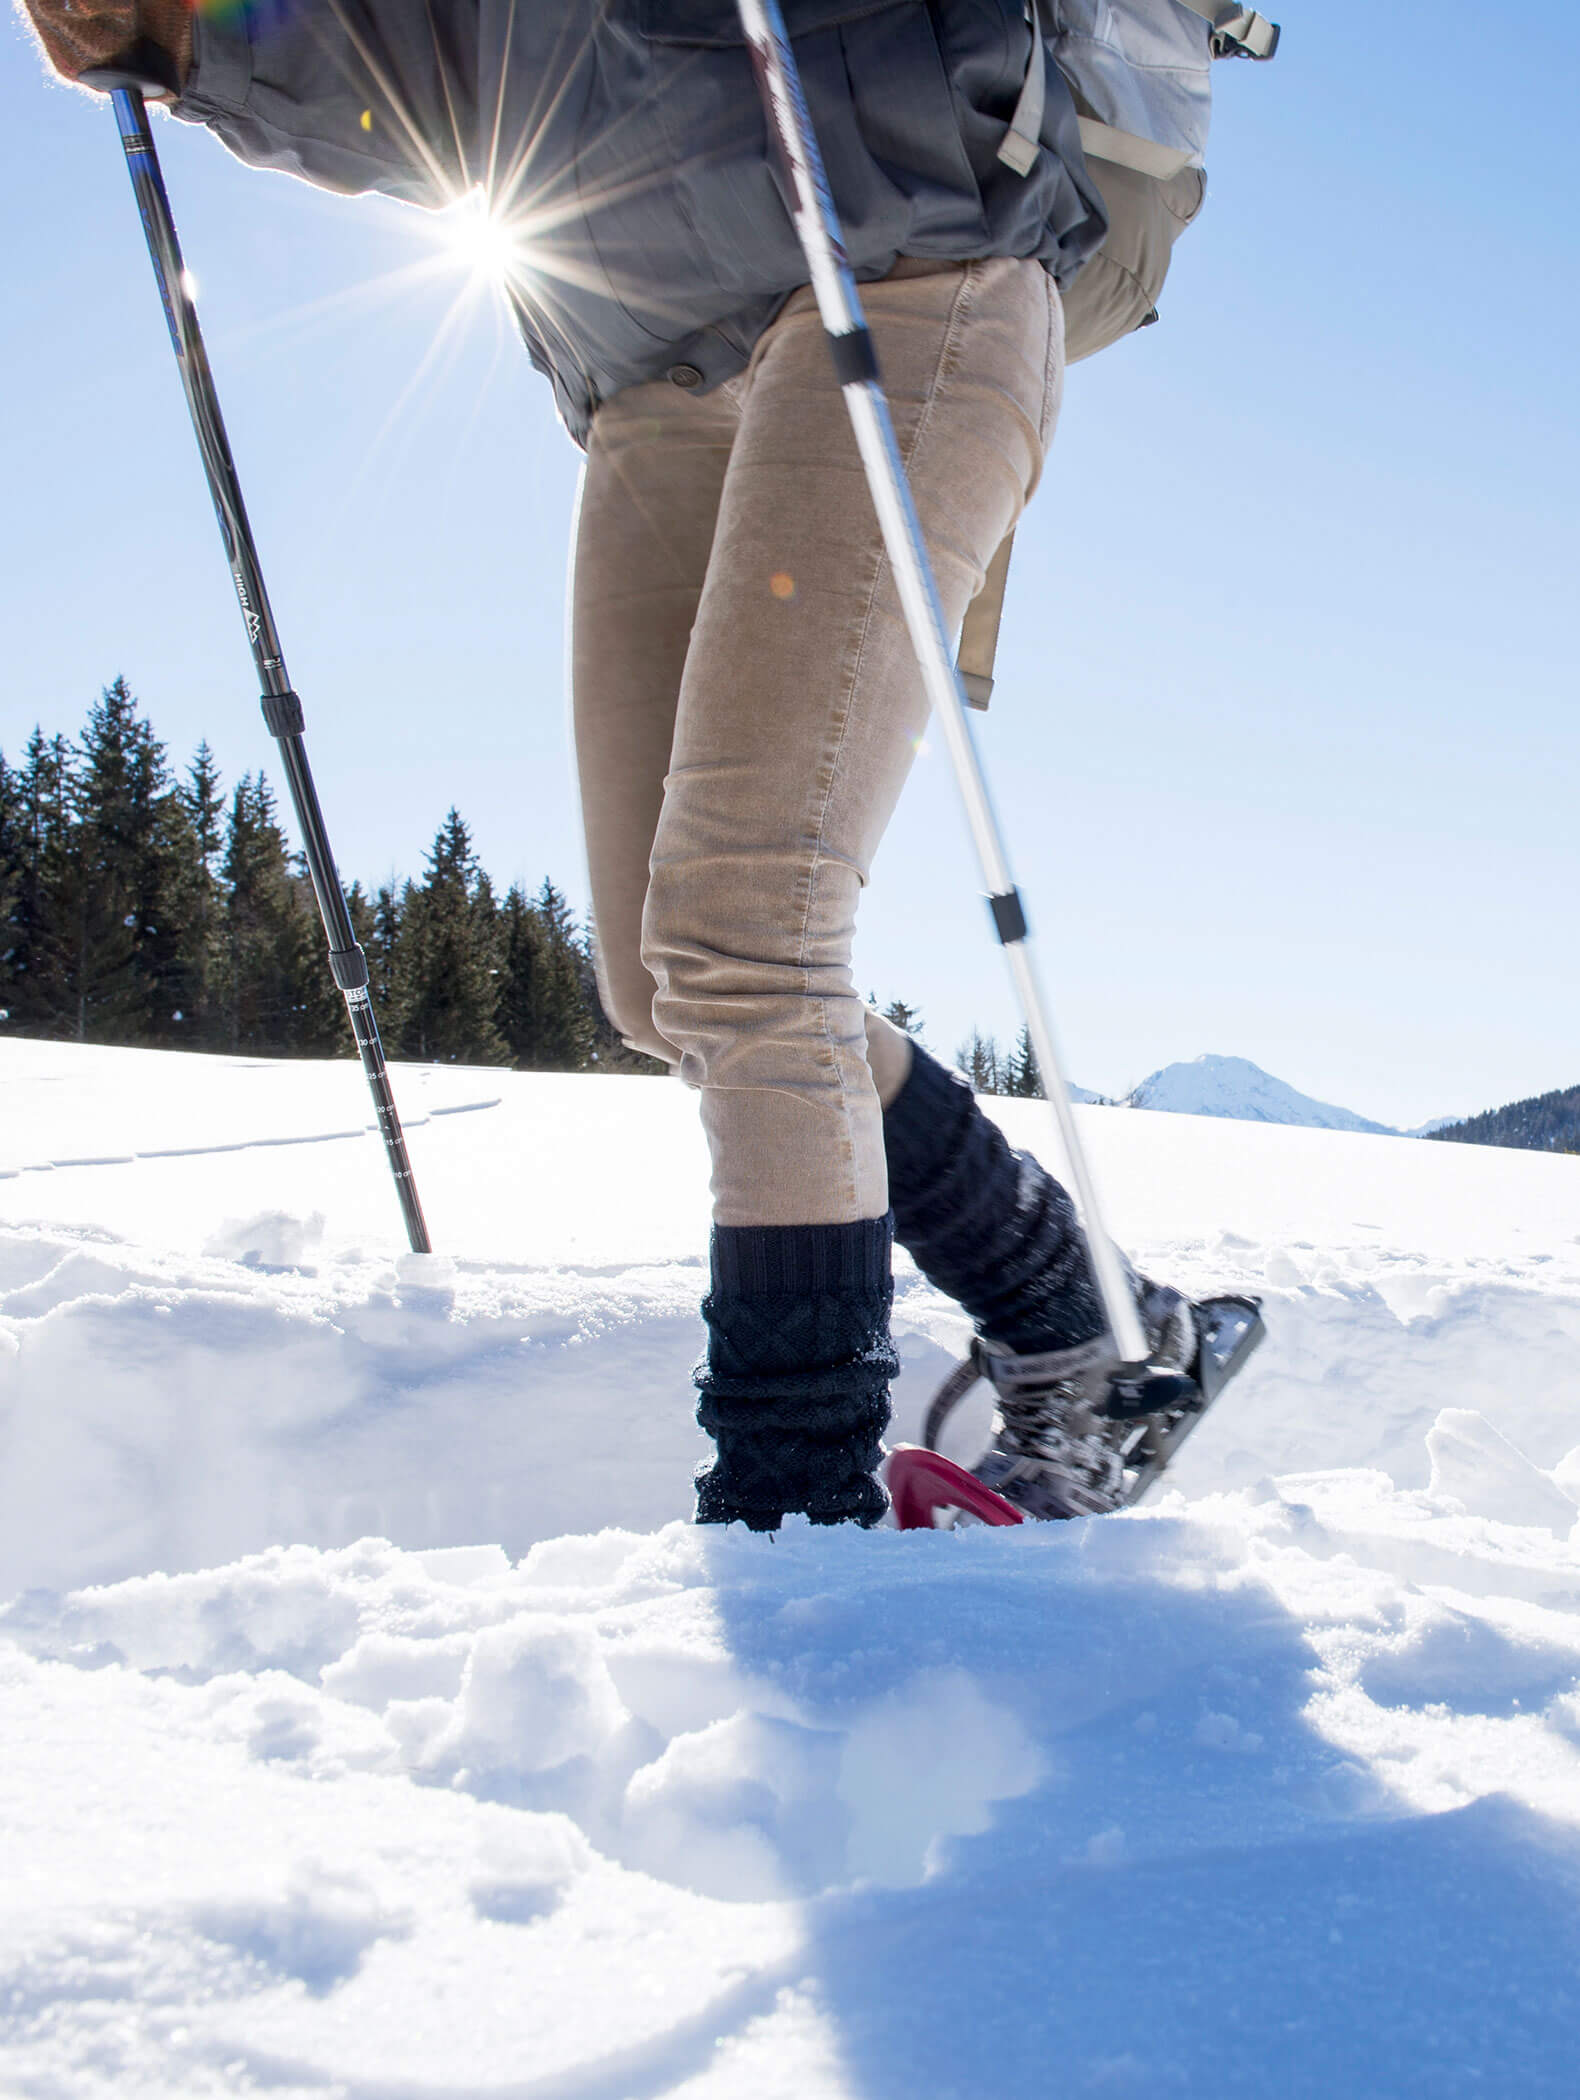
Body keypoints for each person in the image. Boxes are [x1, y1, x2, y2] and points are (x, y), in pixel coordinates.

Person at [21, 0, 1251, 1530]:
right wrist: (187, 37)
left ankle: (795, 1532)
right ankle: (1090, 1320)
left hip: (898, 259)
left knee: (750, 937)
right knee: (663, 981)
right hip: (646, 369)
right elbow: (426, 83)